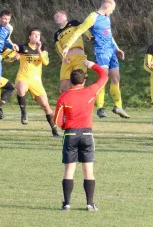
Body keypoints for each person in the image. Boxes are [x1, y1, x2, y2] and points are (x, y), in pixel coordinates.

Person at [60, 0, 130, 119]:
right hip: (101, 51)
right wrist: (67, 46)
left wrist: (117, 48)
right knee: (104, 77)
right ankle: (100, 108)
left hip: (111, 50)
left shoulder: (107, 17)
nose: (112, 12)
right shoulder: (93, 17)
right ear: (107, 6)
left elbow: (109, 34)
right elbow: (79, 31)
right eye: (112, 9)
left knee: (116, 78)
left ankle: (118, 106)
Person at [54, 60, 109, 211]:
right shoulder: (91, 91)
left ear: (71, 81)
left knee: (69, 171)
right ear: (84, 81)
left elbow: (57, 120)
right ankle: (90, 204)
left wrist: (66, 126)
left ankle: (66, 204)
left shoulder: (63, 97)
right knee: (88, 171)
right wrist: (93, 65)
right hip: (86, 134)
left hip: (70, 134)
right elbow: (104, 76)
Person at [15, 28, 59, 137]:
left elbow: (45, 62)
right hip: (23, 77)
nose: (35, 37)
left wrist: (39, 49)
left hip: (36, 81)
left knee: (45, 105)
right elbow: (12, 55)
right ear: (29, 37)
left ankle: (54, 130)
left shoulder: (43, 49)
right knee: (20, 88)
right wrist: (14, 55)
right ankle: (24, 113)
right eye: (33, 35)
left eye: (37, 36)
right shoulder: (22, 47)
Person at [53, 10, 92, 94]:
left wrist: (89, 36)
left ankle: (80, 105)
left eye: (57, 16)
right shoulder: (56, 34)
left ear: (65, 16)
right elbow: (58, 48)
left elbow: (83, 28)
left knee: (79, 84)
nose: (55, 18)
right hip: (67, 60)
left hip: (79, 57)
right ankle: (66, 105)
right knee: (64, 88)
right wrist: (63, 58)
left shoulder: (74, 23)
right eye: (55, 17)